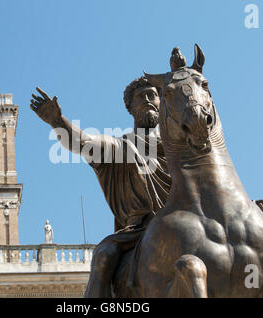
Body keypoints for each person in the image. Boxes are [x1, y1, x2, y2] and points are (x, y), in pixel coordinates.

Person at [30, 76, 171, 297]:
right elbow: (83, 143)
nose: (147, 99)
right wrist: (57, 121)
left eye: (152, 94)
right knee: (104, 256)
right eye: (139, 97)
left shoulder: (184, 145)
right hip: (138, 231)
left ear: (162, 101)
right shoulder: (120, 147)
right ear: (130, 109)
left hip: (183, 218)